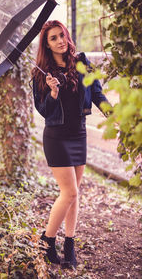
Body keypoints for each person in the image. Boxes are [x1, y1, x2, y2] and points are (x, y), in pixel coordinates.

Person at [32, 20, 109, 269]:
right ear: (47, 44)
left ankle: (69, 246)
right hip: (56, 137)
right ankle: (47, 240)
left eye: (62, 35)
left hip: (79, 134)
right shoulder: (42, 73)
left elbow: (96, 93)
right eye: (53, 38)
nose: (60, 40)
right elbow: (43, 110)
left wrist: (114, 115)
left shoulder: (82, 62)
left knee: (75, 194)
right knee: (70, 192)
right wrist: (52, 93)